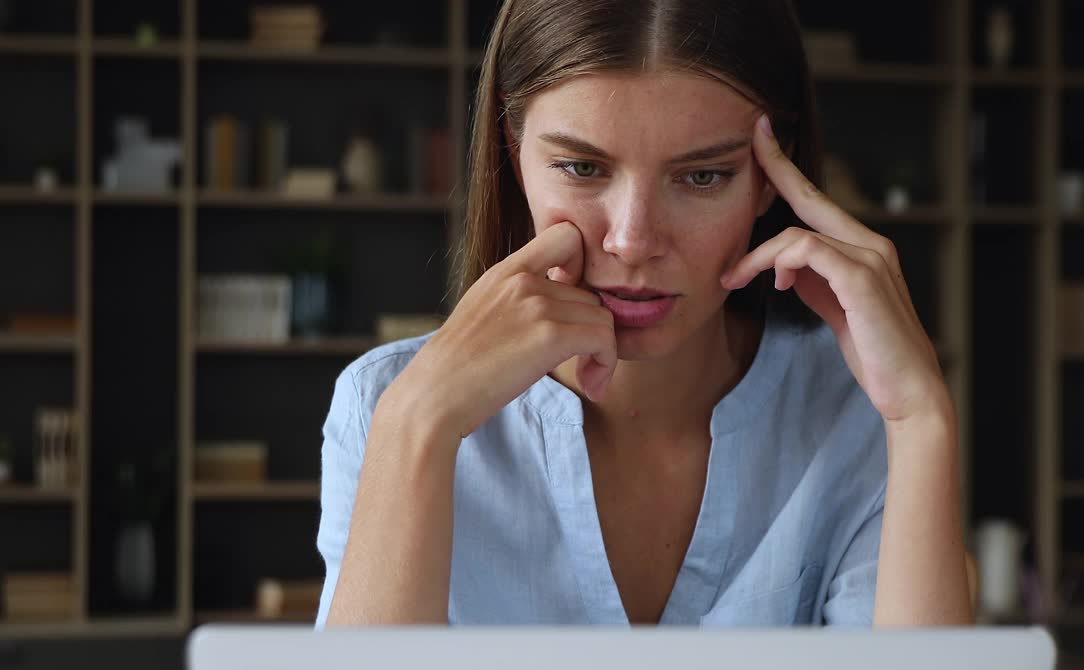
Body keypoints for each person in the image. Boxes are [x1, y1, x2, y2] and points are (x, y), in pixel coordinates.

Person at [316, 0, 972, 628]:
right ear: (512, 153)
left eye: (702, 177)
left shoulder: (854, 410)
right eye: (581, 167)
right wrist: (414, 424)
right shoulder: (386, 403)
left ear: (772, 177)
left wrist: (921, 420)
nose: (633, 240)